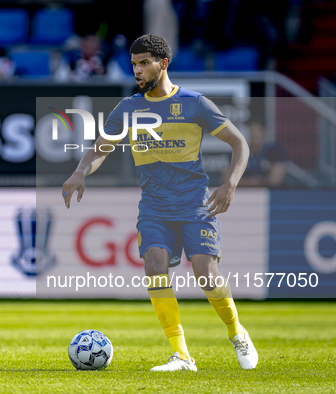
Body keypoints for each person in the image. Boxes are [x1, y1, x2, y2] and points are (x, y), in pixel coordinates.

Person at [61, 34, 258, 372]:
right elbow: (100, 149)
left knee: (206, 274)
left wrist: (230, 185)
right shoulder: (128, 108)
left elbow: (239, 143)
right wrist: (80, 171)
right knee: (154, 266)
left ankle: (237, 332)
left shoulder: (195, 104)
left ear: (163, 64)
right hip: (154, 206)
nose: (136, 70)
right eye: (134, 64)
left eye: (143, 63)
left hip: (196, 205)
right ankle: (182, 355)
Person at [239, 120, 287, 188]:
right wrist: (250, 182)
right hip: (244, 194)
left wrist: (259, 181)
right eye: (251, 131)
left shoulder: (275, 150)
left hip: (270, 194)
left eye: (257, 130)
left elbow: (275, 180)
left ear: (264, 132)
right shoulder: (239, 152)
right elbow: (227, 178)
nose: (254, 134)